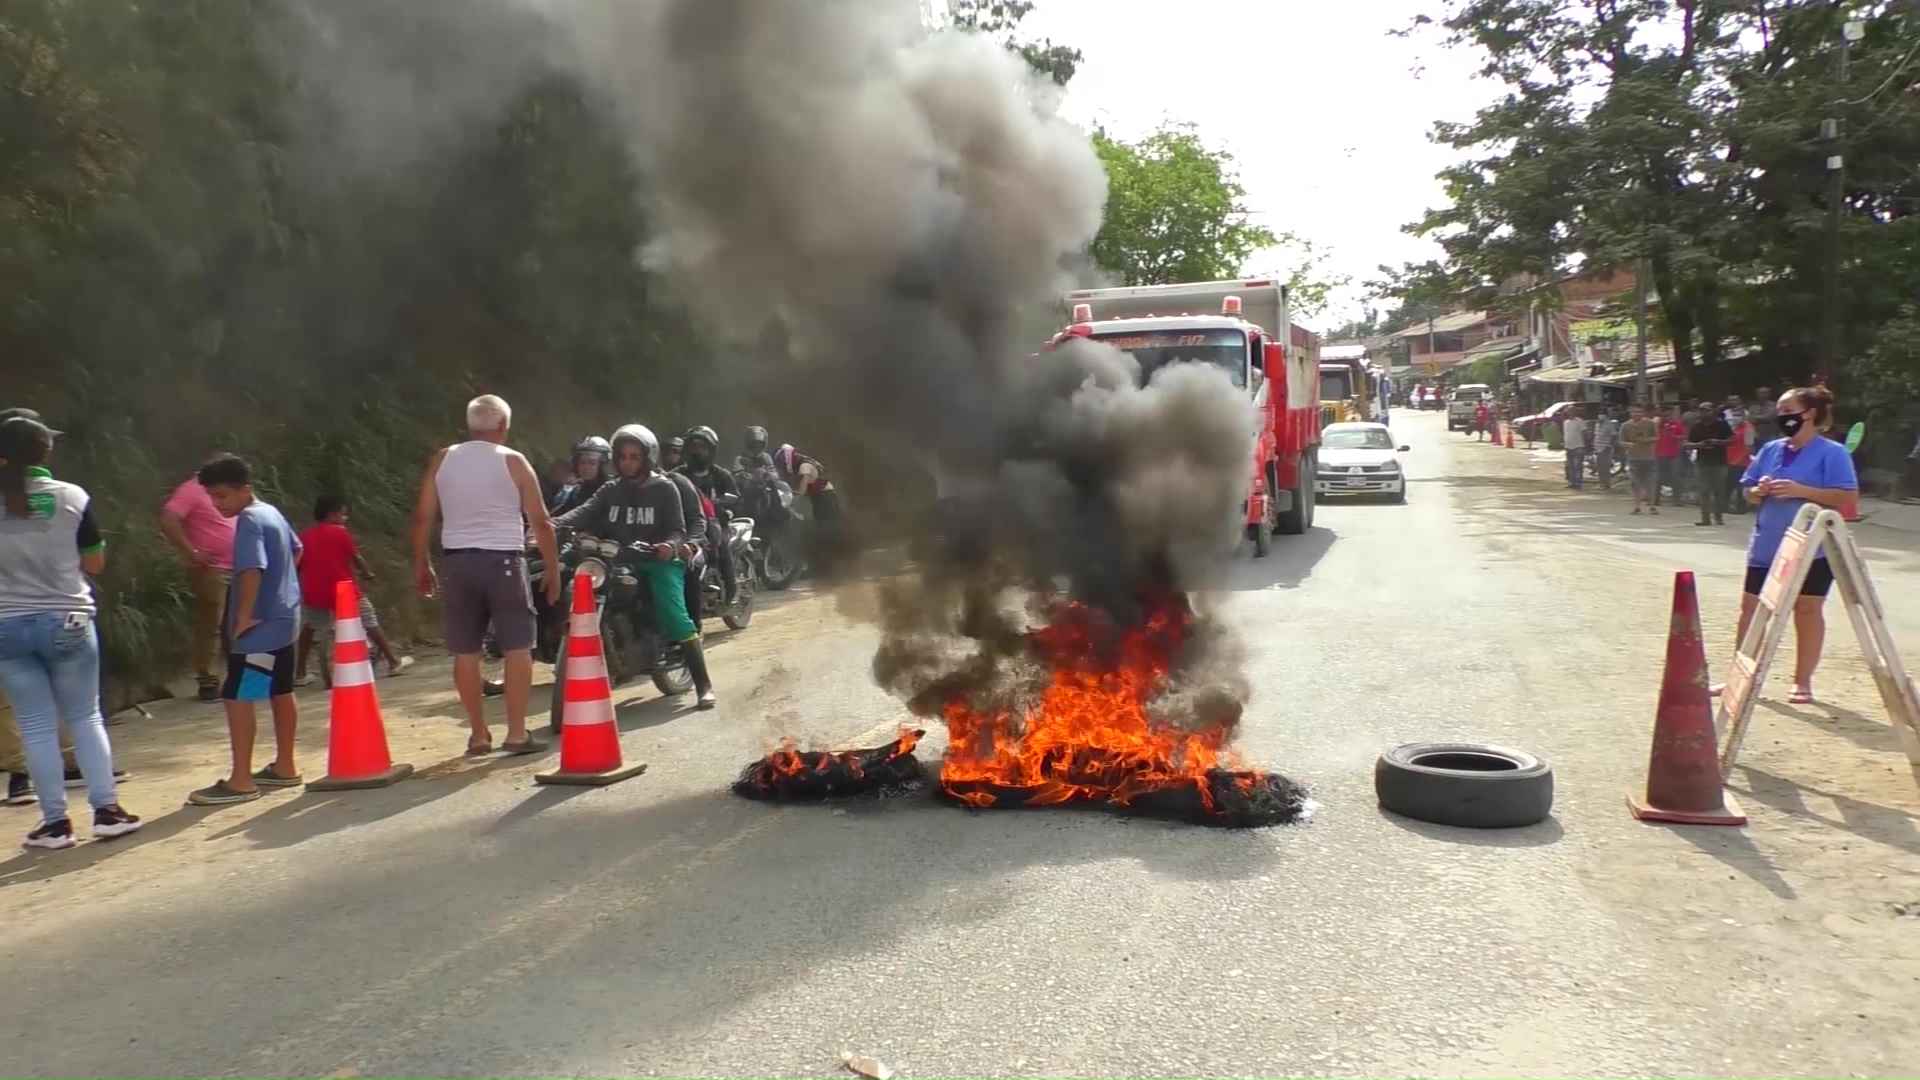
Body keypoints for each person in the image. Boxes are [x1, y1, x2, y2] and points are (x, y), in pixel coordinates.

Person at [0, 418, 142, 847]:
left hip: (7, 626)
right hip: (68, 620)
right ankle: (107, 811)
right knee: (84, 716)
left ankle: (55, 824)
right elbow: (94, 563)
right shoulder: (71, 497)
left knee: (36, 724)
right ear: (45, 451)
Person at [412, 395, 560, 756]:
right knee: (517, 647)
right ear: (503, 428)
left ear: (470, 426)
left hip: (457, 563)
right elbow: (540, 521)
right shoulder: (513, 461)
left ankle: (478, 735)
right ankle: (515, 734)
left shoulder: (443, 459)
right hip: (504, 563)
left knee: (466, 651)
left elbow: (422, 517)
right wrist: (553, 568)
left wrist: (421, 563)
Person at [554, 425, 716, 708]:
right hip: (618, 558)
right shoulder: (611, 489)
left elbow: (678, 529)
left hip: (657, 560)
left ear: (647, 458)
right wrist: (550, 523)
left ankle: (704, 685)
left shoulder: (665, 488)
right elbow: (584, 511)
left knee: (675, 616)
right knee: (577, 587)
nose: (628, 462)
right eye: (623, 456)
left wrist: (669, 546)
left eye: (634, 457)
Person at [1720, 386, 1858, 705]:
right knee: (1752, 609)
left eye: (1787, 411)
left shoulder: (1832, 452)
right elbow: (1747, 489)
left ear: (1809, 413)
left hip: (1815, 548)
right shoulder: (1771, 449)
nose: (1782, 417)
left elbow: (1847, 497)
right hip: (1768, 544)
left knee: (1806, 610)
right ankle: (1740, 676)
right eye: (1780, 412)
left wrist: (1801, 490)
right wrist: (1758, 491)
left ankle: (1802, 681)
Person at [181, 455, 305, 805]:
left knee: (240, 696)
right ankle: (285, 765)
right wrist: (282, 589)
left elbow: (252, 569)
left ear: (244, 490)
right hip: (285, 619)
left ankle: (241, 780)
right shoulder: (272, 512)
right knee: (280, 689)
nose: (218, 505)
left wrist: (246, 614)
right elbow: (297, 549)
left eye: (222, 496)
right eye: (212, 498)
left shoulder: (249, 520)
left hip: (260, 629)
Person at [294, 494, 412, 686]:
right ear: (333, 515)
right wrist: (367, 573)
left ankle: (300, 673)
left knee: (310, 626)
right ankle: (393, 661)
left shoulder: (304, 537)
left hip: (315, 595)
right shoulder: (340, 532)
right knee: (369, 620)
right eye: (343, 514)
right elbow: (356, 558)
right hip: (344, 592)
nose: (345, 518)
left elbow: (298, 566)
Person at [159, 450, 239, 702]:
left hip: (239, 565)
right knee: (211, 623)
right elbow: (168, 519)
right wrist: (191, 552)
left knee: (238, 622)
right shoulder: (191, 489)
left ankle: (239, 673)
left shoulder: (230, 490)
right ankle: (208, 679)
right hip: (212, 568)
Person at [676, 426, 740, 606]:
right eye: (694, 447)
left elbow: (736, 499)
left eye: (702, 447)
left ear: (711, 450)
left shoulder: (721, 475)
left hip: (716, 522)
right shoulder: (679, 474)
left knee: (722, 544)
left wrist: (724, 505)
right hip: (687, 522)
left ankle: (731, 587)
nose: (697, 452)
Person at [775, 443, 844, 574]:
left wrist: (790, 507)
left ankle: (828, 568)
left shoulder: (804, 467)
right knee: (819, 531)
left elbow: (801, 491)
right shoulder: (802, 466)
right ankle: (820, 567)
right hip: (820, 500)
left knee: (824, 532)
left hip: (827, 500)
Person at [1686, 401, 1734, 526]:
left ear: (1713, 411)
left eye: (1707, 410)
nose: (1704, 413)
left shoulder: (1722, 425)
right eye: (1701, 410)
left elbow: (1732, 440)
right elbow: (1686, 444)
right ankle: (1705, 518)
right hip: (1702, 462)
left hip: (1719, 462)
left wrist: (1718, 442)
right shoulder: (1697, 426)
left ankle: (1718, 516)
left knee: (1719, 490)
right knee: (1703, 491)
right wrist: (1699, 445)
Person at [550, 436, 612, 516]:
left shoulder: (613, 492)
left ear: (602, 466)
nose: (586, 467)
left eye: (592, 463)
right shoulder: (572, 493)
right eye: (582, 462)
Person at [1619, 403, 1661, 515]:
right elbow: (1621, 441)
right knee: (1635, 483)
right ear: (1630, 413)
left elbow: (1657, 437)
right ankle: (1637, 506)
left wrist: (1646, 440)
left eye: (1639, 412)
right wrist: (1627, 444)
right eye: (1634, 412)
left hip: (1649, 457)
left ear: (1643, 412)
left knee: (1651, 483)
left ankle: (1652, 506)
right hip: (1633, 458)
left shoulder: (1650, 423)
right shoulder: (1625, 426)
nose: (1637, 414)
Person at [1654, 405, 1687, 506]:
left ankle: (1677, 498)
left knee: (1675, 476)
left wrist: (1675, 437)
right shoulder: (1656, 425)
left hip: (1674, 454)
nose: (1664, 418)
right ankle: (1655, 498)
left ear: (1671, 414)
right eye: (1662, 416)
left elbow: (1684, 436)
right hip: (1659, 454)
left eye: (1667, 415)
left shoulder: (1677, 424)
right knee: (1657, 477)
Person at [1590, 407, 1620, 491]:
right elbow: (1596, 436)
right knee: (1599, 467)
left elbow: (1614, 435)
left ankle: (1606, 484)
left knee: (1605, 467)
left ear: (1606, 415)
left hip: (1605, 448)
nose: (1600, 415)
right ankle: (1601, 483)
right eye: (1599, 413)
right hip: (1597, 448)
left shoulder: (1609, 424)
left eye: (1602, 413)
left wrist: (1609, 445)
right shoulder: (1597, 424)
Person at [1561, 406, 1588, 490]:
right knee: (1570, 466)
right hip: (1568, 446)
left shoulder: (1580, 421)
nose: (1570, 413)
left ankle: (1578, 483)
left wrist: (1585, 445)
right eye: (1568, 411)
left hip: (1578, 446)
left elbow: (1584, 433)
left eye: (1572, 411)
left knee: (1577, 466)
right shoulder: (1566, 422)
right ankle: (1572, 482)